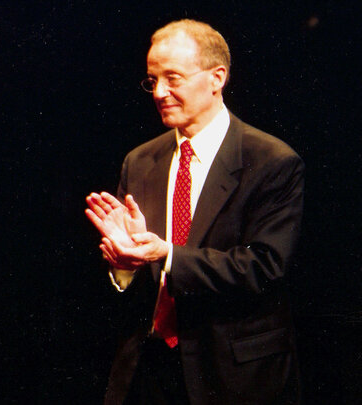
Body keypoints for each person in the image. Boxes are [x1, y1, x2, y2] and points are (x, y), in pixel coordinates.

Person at [85, 20, 303, 404]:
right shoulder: (140, 161)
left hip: (230, 375)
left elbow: (264, 267)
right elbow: (125, 282)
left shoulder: (271, 161)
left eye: (173, 78)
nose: (160, 92)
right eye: (153, 80)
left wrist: (165, 254)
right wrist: (124, 265)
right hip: (148, 371)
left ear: (217, 78)